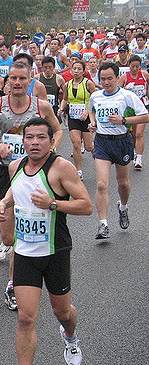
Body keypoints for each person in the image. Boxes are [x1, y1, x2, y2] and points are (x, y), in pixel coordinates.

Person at [0, 117, 93, 365]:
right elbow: (17, 190)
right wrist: (4, 204)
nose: (35, 143)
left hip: (55, 251)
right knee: (25, 318)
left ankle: (70, 336)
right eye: (29, 137)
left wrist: (53, 204)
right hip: (25, 252)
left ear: (51, 142)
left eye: (41, 138)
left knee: (62, 312)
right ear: (22, 141)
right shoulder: (15, 166)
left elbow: (86, 206)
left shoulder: (61, 168)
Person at [0, 62, 63, 311]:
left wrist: (50, 150)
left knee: (19, 235)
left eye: (22, 78)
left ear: (29, 80)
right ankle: (10, 245)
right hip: (4, 170)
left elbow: (57, 130)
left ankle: (14, 283)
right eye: (12, 78)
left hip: (32, 172)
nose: (16, 82)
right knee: (7, 234)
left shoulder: (40, 106)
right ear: (6, 80)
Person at [88, 62, 149, 239]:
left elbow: (145, 115)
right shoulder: (96, 96)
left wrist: (123, 120)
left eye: (109, 79)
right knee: (101, 184)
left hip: (122, 141)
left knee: (122, 182)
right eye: (103, 79)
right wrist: (93, 123)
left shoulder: (127, 96)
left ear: (117, 78)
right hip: (102, 142)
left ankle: (123, 207)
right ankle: (103, 225)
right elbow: (91, 110)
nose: (106, 82)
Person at [58, 61, 96, 180]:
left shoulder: (88, 84)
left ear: (83, 71)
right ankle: (78, 170)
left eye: (79, 69)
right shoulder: (67, 85)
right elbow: (65, 99)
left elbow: (95, 100)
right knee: (76, 143)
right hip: (73, 117)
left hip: (85, 118)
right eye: (74, 68)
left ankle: (99, 154)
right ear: (71, 70)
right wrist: (61, 108)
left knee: (89, 147)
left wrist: (87, 110)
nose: (76, 71)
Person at [119, 55, 149, 170]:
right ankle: (136, 152)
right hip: (130, 110)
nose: (135, 69)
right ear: (129, 66)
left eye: (137, 66)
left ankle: (139, 158)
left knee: (139, 134)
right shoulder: (124, 77)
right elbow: (118, 92)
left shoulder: (145, 75)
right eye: (132, 67)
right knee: (133, 134)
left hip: (142, 108)